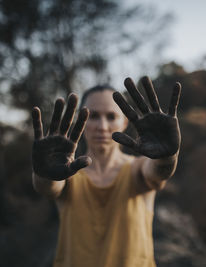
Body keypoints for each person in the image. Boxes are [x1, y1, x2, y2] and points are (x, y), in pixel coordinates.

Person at [31, 76, 182, 267]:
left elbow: (159, 172)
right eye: (93, 116)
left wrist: (168, 156)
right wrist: (44, 173)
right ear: (81, 121)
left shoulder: (137, 170)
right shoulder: (67, 175)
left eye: (111, 116)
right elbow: (48, 187)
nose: (102, 127)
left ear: (125, 122)